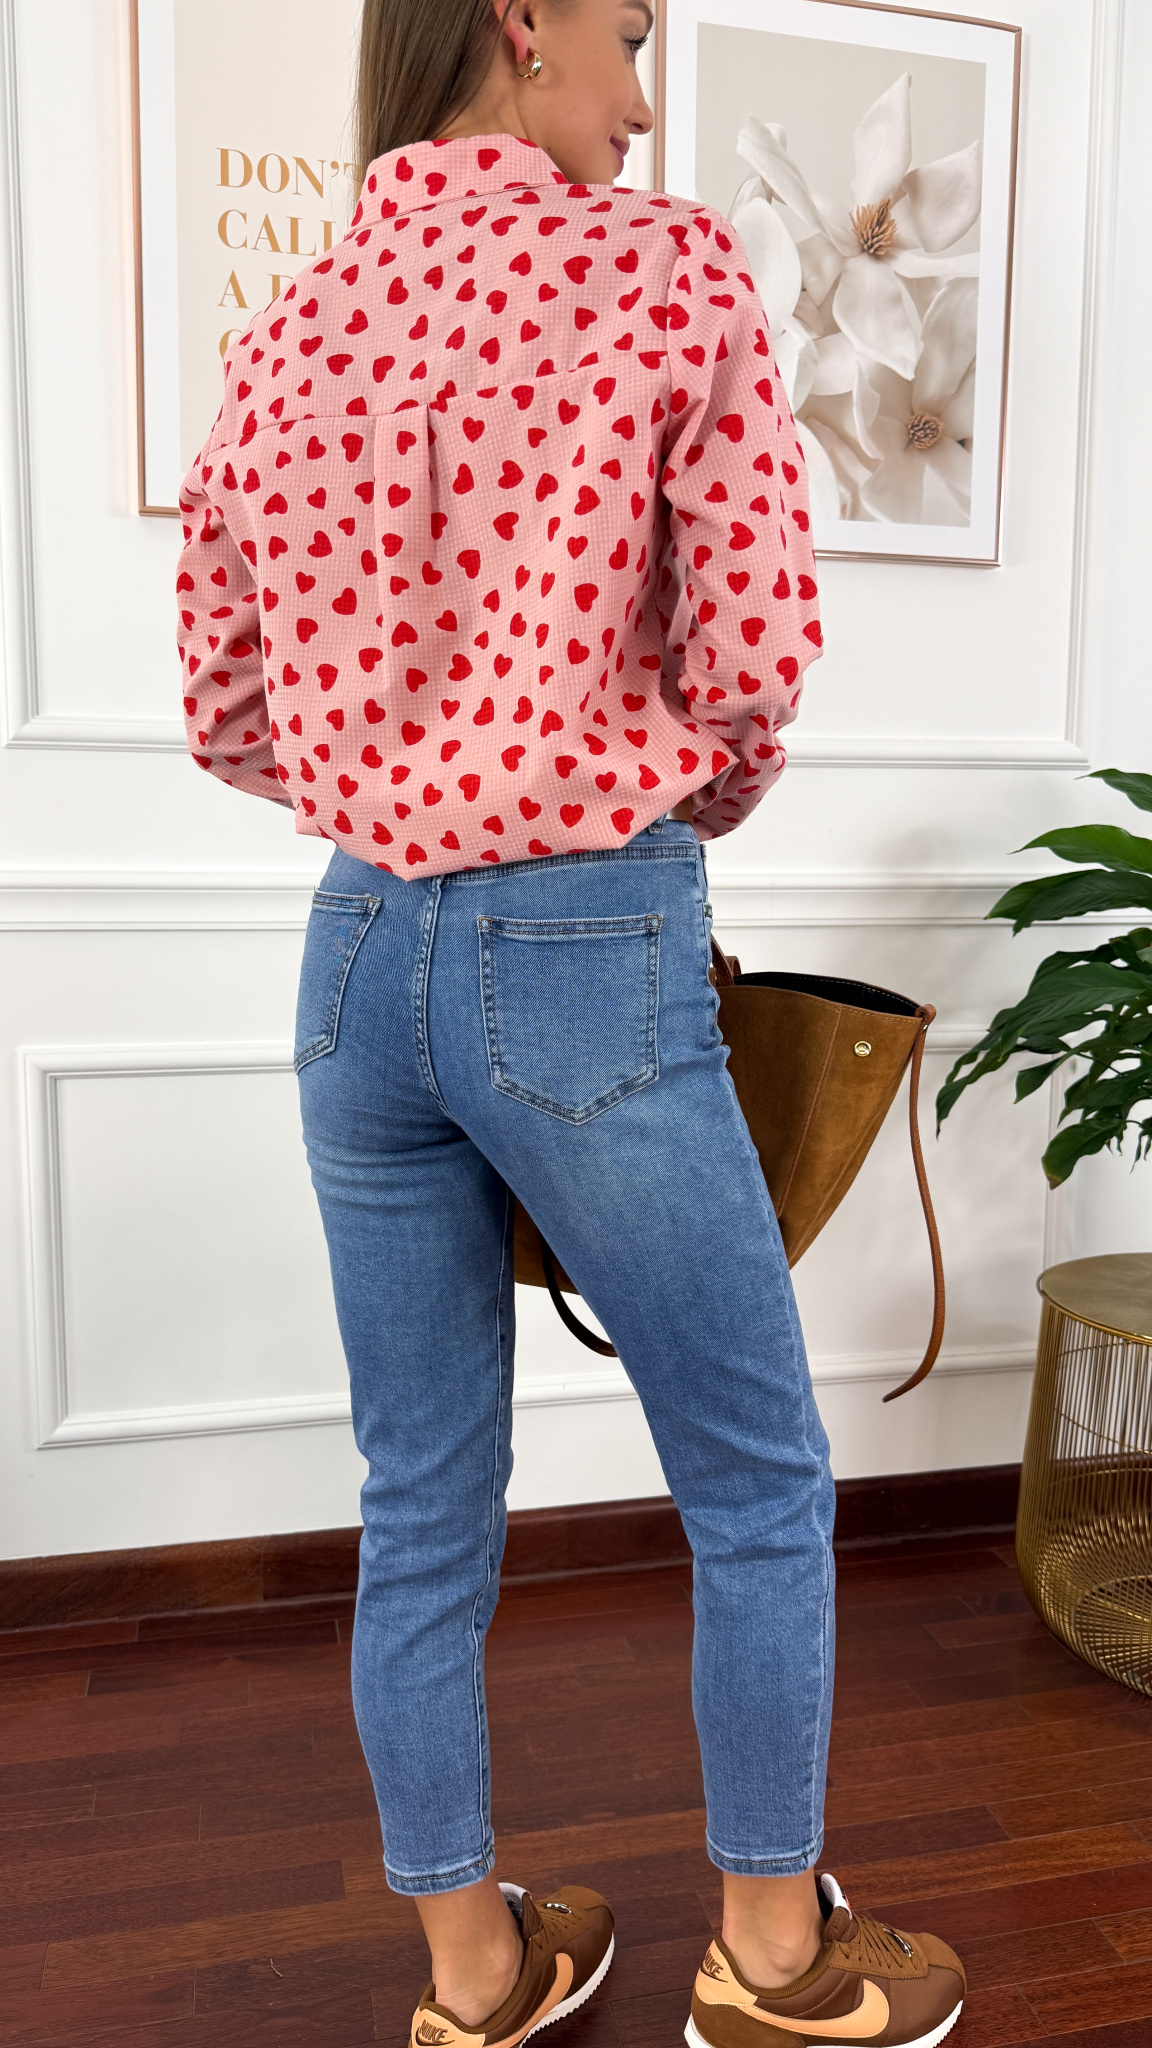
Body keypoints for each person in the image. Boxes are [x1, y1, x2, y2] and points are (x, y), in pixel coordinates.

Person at [175, 0, 966, 2040]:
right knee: (758, 1478)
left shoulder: (292, 326)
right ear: (523, 22)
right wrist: (650, 816)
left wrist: (397, 784)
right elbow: (753, 655)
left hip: (355, 960)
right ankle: (777, 1964)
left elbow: (227, 707)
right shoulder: (667, 266)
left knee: (420, 1498)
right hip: (585, 942)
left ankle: (477, 1975)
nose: (641, 91)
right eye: (626, 35)